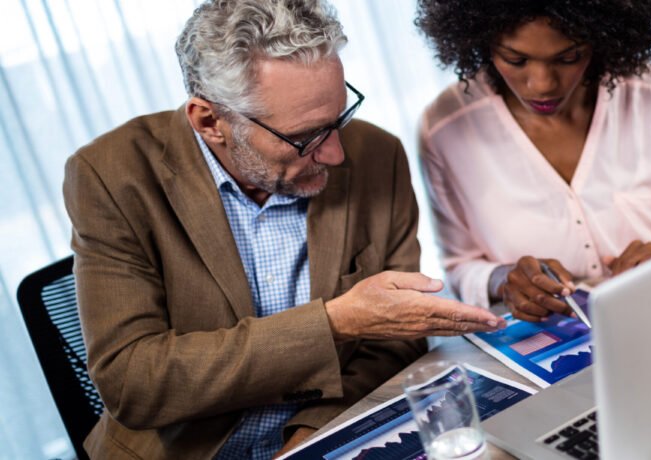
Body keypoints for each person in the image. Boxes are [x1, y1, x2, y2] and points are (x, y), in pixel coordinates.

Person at [62, 1, 504, 458]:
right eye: (306, 136)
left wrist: (309, 439)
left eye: (339, 119)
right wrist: (335, 323)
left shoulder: (378, 155)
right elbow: (133, 382)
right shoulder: (111, 175)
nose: (335, 153)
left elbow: (394, 342)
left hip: (331, 434)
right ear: (211, 121)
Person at [415, 0, 651, 322]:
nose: (543, 84)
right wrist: (504, 279)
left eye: (568, 57)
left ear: (600, 36)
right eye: (515, 59)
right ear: (481, 41)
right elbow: (460, 265)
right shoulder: (444, 130)